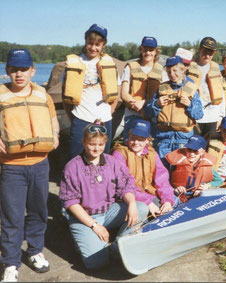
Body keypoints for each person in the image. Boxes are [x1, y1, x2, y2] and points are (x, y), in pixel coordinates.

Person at [0, 49, 60, 282]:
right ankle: (11, 262)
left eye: (24, 69)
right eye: (14, 69)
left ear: (32, 71)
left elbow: (53, 118)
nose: (19, 74)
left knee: (38, 212)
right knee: (12, 216)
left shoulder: (42, 94)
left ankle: (35, 251)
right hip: (12, 167)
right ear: (7, 71)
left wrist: (55, 133)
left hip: (40, 165)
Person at [59, 120, 148, 270]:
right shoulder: (72, 167)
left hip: (108, 212)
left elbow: (125, 186)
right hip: (85, 218)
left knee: (141, 208)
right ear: (83, 142)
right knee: (97, 263)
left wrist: (132, 204)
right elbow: (71, 203)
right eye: (92, 144)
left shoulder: (112, 162)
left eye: (100, 145)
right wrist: (95, 226)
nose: (96, 148)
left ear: (105, 143)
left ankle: (118, 244)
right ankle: (85, 239)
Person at [63, 24, 119, 160]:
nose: (93, 48)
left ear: (103, 45)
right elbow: (64, 95)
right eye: (90, 43)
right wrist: (75, 117)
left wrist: (109, 112)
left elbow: (116, 94)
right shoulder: (74, 63)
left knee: (102, 159)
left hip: (105, 119)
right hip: (81, 117)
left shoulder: (109, 63)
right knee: (75, 159)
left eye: (97, 44)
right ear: (85, 41)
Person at [112, 119, 177, 217]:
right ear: (128, 136)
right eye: (133, 138)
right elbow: (124, 183)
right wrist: (148, 203)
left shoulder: (152, 154)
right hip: (129, 197)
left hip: (149, 193)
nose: (136, 142)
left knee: (174, 200)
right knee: (144, 210)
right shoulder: (119, 154)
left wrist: (167, 200)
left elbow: (162, 180)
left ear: (147, 140)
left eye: (141, 139)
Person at [144, 56, 203, 164]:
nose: (172, 74)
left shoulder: (192, 89)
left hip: (183, 141)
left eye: (175, 70)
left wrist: (189, 105)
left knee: (180, 174)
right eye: (169, 71)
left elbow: (199, 114)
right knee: (162, 173)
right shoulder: (161, 89)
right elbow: (148, 112)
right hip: (163, 141)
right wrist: (157, 104)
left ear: (182, 70)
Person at [120, 36, 164, 142]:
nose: (148, 53)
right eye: (145, 50)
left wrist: (143, 103)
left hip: (151, 117)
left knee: (149, 148)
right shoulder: (130, 67)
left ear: (156, 51)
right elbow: (124, 94)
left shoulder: (162, 70)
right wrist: (135, 104)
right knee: (130, 144)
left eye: (151, 50)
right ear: (141, 50)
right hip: (132, 115)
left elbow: (161, 94)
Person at [165, 135, 223, 202]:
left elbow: (219, 181)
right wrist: (175, 189)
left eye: (195, 151)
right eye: (189, 150)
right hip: (178, 196)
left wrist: (207, 186)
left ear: (202, 152)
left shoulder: (208, 165)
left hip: (197, 197)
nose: (192, 154)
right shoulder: (177, 163)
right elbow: (165, 181)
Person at [194, 37, 226, 138]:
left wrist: (221, 116)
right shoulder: (190, 67)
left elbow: (222, 94)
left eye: (211, 53)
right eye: (204, 52)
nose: (207, 55)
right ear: (199, 50)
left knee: (210, 148)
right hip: (195, 117)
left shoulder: (216, 68)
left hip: (212, 116)